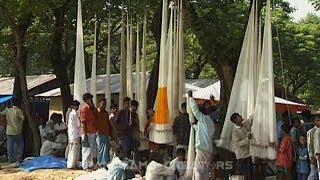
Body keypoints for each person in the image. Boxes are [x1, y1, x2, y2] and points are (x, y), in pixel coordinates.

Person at [187, 90, 215, 180]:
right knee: (204, 171)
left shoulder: (203, 118)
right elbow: (202, 131)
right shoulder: (210, 122)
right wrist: (194, 126)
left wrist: (190, 98)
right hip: (208, 149)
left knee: (198, 170)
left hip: (202, 149)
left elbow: (195, 111)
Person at [0, 99, 25, 163]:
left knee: (10, 146)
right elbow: (23, 118)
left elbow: (1, 113)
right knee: (20, 145)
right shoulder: (19, 110)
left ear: (11, 104)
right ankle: (19, 159)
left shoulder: (7, 110)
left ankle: (10, 159)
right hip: (18, 131)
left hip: (9, 131)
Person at [230, 113, 253, 180]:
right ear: (236, 120)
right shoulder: (235, 132)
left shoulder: (245, 124)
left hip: (248, 154)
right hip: (242, 156)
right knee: (246, 174)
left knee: (249, 174)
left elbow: (251, 118)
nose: (241, 116)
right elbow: (238, 144)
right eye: (239, 116)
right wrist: (247, 139)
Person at [80, 93, 98, 170]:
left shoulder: (92, 108)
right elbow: (83, 122)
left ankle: (93, 164)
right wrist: (85, 134)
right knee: (86, 149)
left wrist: (93, 107)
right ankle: (85, 166)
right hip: (87, 132)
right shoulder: (84, 109)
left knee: (93, 149)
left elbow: (97, 116)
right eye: (90, 99)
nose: (91, 100)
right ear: (86, 100)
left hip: (93, 131)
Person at [96, 98, 112, 167]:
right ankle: (100, 163)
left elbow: (108, 123)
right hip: (99, 133)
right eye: (103, 104)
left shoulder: (106, 113)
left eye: (105, 104)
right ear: (99, 104)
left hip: (106, 133)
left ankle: (105, 162)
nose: (104, 105)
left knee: (106, 148)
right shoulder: (96, 113)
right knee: (100, 149)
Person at [67, 100, 81, 169]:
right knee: (74, 150)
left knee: (73, 149)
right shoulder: (74, 113)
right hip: (75, 134)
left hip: (72, 134)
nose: (77, 107)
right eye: (76, 106)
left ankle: (73, 164)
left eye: (78, 106)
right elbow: (78, 124)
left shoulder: (71, 113)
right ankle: (72, 165)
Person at [307, 114, 320, 180]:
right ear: (314, 122)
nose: (319, 122)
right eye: (317, 120)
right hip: (315, 156)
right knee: (313, 174)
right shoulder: (311, 132)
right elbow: (309, 145)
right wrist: (311, 156)